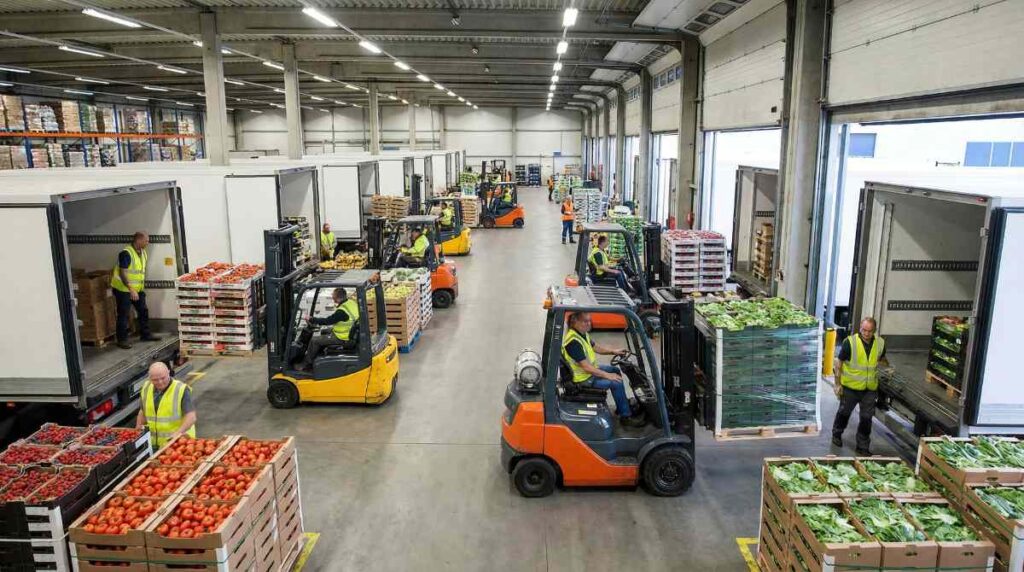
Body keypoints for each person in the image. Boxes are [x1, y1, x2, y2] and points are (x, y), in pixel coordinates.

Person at [562, 312, 645, 427]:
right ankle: (626, 416)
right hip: (583, 379)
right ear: (574, 322)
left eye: (589, 320)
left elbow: (596, 347)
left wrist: (613, 351)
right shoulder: (573, 342)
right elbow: (586, 367)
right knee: (616, 382)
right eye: (585, 321)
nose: (588, 324)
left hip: (588, 372)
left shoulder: (581, 334)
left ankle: (622, 405)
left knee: (614, 370)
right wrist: (607, 375)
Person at [832, 317, 888, 455]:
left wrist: (888, 367)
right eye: (864, 330)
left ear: (874, 330)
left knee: (866, 418)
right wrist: (837, 384)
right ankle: (836, 434)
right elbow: (839, 363)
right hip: (851, 387)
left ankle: (862, 446)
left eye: (870, 331)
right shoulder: (850, 343)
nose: (866, 333)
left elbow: (881, 358)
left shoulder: (880, 343)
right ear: (860, 328)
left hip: (869, 388)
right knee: (844, 413)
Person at [112, 231, 158, 350]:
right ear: (138, 240)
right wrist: (131, 289)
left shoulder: (143, 253)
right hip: (123, 289)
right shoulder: (126, 253)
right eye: (146, 240)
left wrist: (137, 289)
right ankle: (122, 340)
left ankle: (145, 334)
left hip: (137, 289)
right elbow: (123, 273)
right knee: (124, 314)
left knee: (143, 311)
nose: (148, 242)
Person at [136, 362, 196, 449]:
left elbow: (191, 417)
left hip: (178, 444)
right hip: (154, 444)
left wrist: (178, 434)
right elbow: (143, 411)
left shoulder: (181, 389)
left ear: (168, 372)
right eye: (155, 380)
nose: (160, 382)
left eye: (163, 378)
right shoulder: (146, 387)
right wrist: (138, 427)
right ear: (149, 378)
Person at [301, 288, 360, 368]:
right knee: (323, 331)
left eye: (333, 296)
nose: (332, 297)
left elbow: (328, 321)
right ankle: (319, 355)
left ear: (337, 298)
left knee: (314, 340)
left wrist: (311, 319)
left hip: (343, 338)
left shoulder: (342, 311)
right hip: (348, 333)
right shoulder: (351, 303)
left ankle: (306, 364)